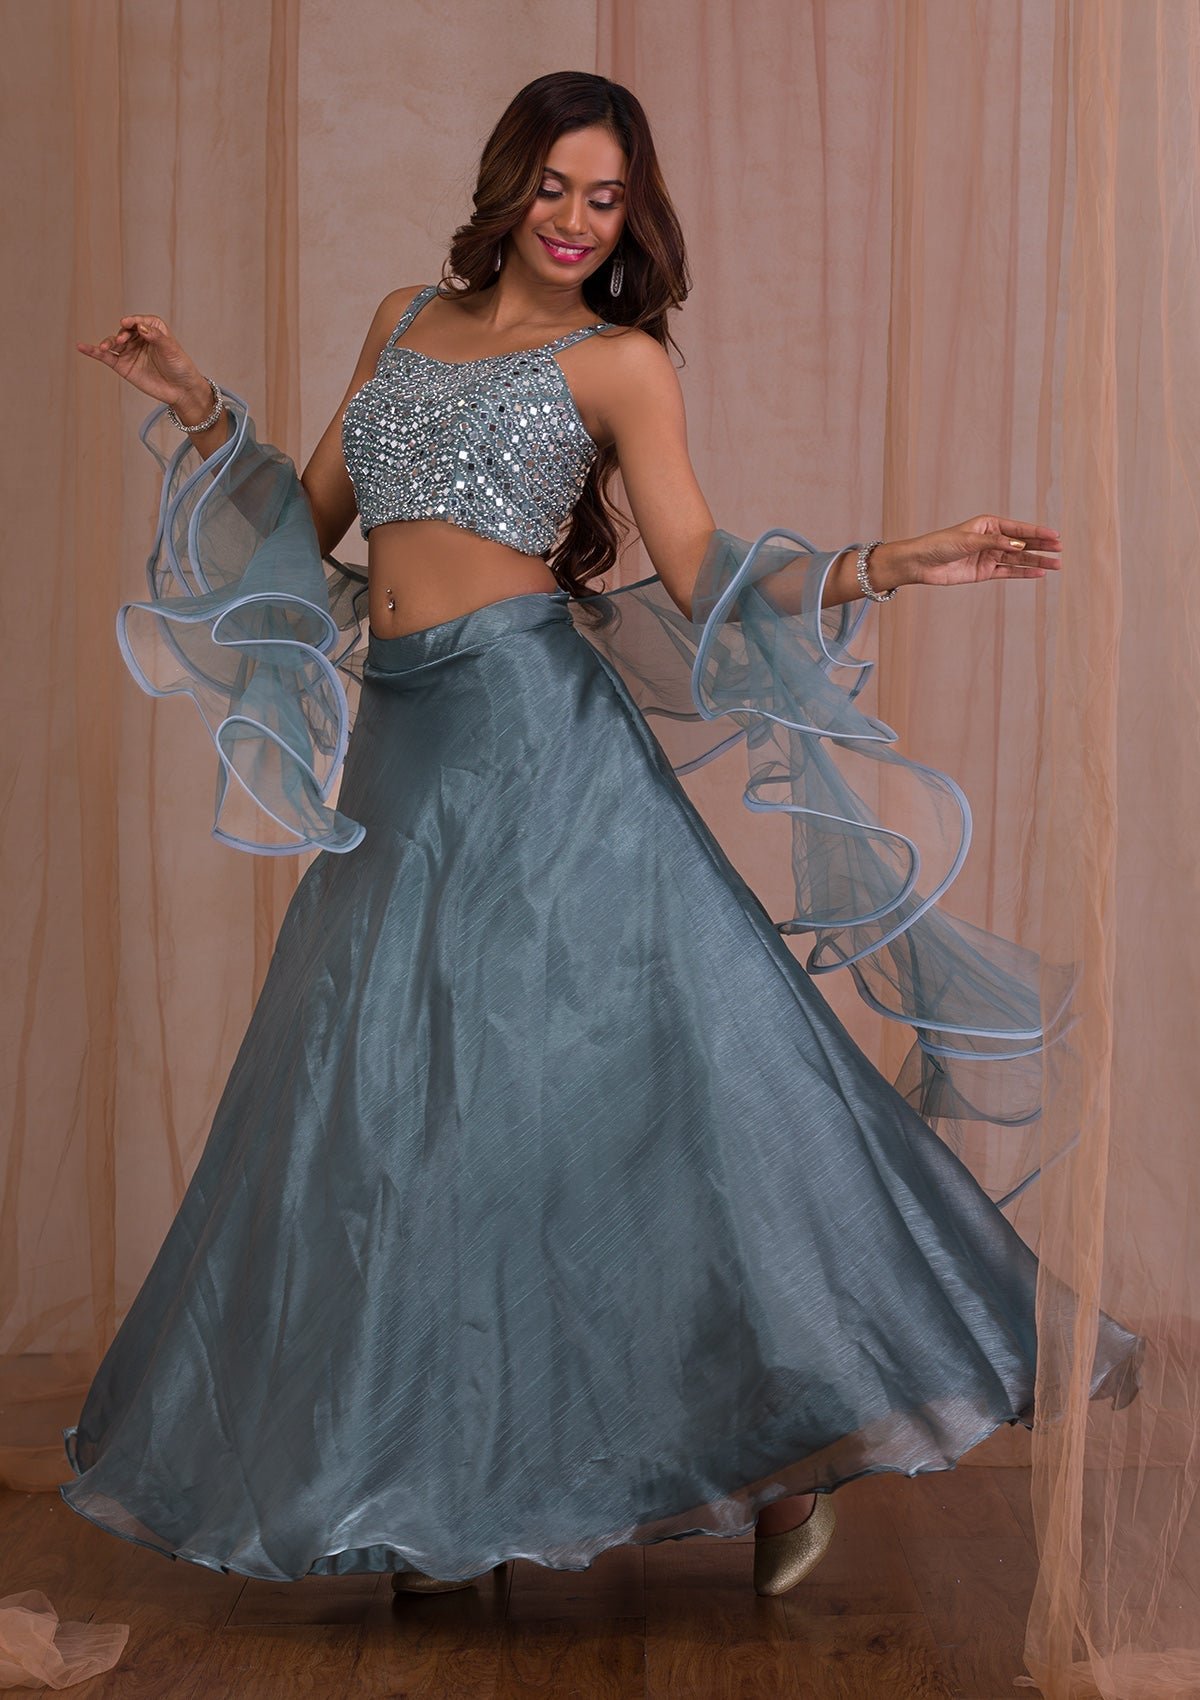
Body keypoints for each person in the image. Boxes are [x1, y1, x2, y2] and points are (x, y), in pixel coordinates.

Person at [65, 69, 1143, 1602]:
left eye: (608, 197)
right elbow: (302, 544)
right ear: (508, 186)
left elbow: (701, 570)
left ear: (632, 217)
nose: (577, 220)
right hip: (402, 750)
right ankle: (434, 1485)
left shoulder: (620, 363)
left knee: (634, 1096)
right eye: (557, 187)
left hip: (538, 740)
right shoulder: (399, 321)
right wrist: (193, 403)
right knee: (402, 1115)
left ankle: (784, 1448)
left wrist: (894, 563)